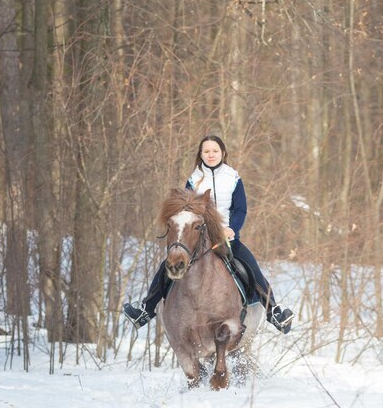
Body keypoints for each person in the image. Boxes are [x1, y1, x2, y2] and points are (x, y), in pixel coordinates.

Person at [124, 135, 294, 333]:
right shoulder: (193, 179)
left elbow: (240, 210)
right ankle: (146, 310)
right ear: (201, 154)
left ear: (222, 153)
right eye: (206, 151)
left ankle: (273, 312)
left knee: (250, 265)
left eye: (214, 151)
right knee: (167, 265)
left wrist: (232, 229)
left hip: (226, 237)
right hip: (197, 237)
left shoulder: (233, 178)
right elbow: (184, 209)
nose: (211, 155)